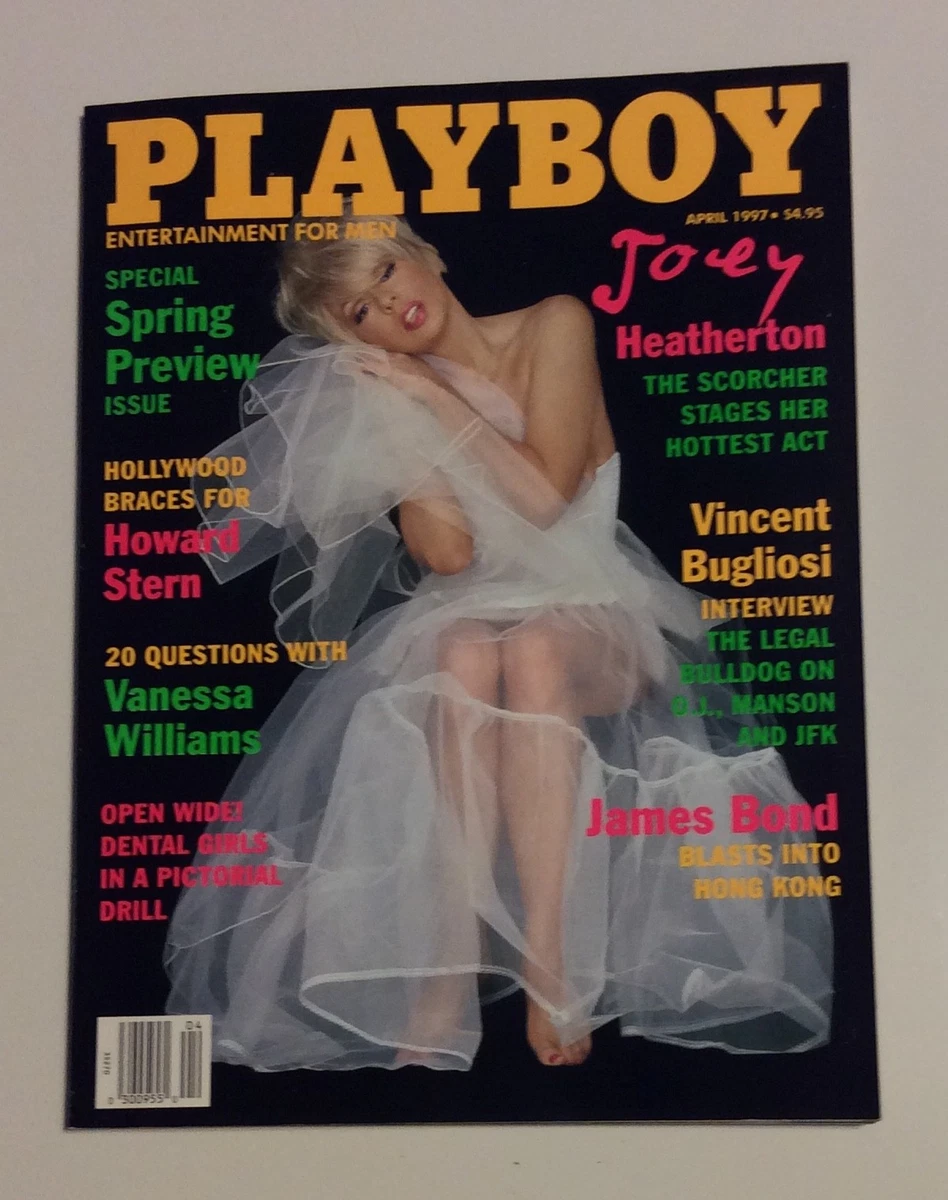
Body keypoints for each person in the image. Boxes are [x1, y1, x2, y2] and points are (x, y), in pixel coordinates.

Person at [164, 217, 833, 1072]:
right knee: (466, 652)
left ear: (426, 256)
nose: (390, 305)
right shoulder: (399, 393)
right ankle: (449, 963)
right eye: (361, 312)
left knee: (538, 646)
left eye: (387, 272)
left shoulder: (555, 323)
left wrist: (440, 401)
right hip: (475, 615)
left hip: (598, 608)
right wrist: (396, 418)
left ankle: (550, 957)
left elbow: (547, 499)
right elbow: (449, 557)